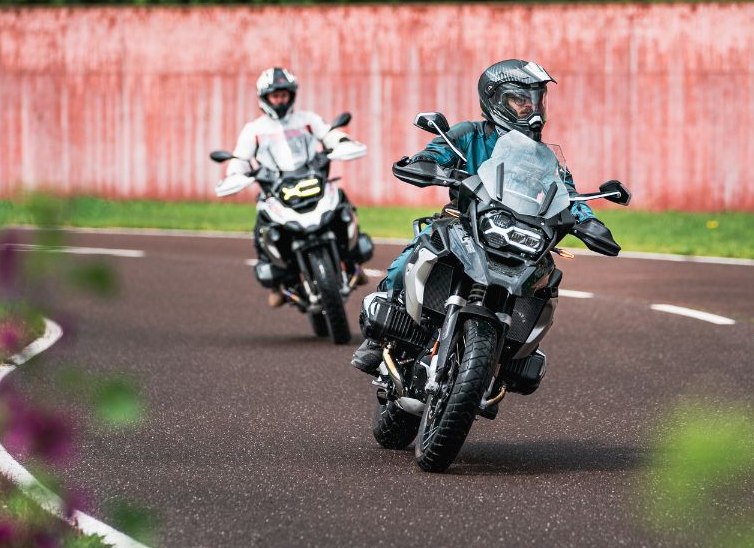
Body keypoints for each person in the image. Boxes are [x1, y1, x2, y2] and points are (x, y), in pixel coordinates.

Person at [350, 58, 619, 373]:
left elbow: (567, 194)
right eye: (520, 99)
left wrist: (587, 220)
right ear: (495, 99)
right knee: (416, 252)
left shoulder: (546, 159)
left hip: (520, 235)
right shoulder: (469, 134)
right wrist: (426, 162)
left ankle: (510, 356)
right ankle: (381, 336)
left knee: (544, 281)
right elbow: (438, 152)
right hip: (464, 223)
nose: (531, 108)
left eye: (536, 99)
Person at [223, 66, 366, 306]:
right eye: (275, 95)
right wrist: (235, 174)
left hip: (313, 182)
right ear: (265, 98)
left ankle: (352, 262)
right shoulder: (254, 130)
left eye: (284, 95)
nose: (280, 100)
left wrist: (342, 143)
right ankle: (278, 284)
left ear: (291, 95)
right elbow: (239, 159)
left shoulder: (307, 120)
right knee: (262, 227)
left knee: (343, 204)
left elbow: (329, 134)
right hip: (276, 191)